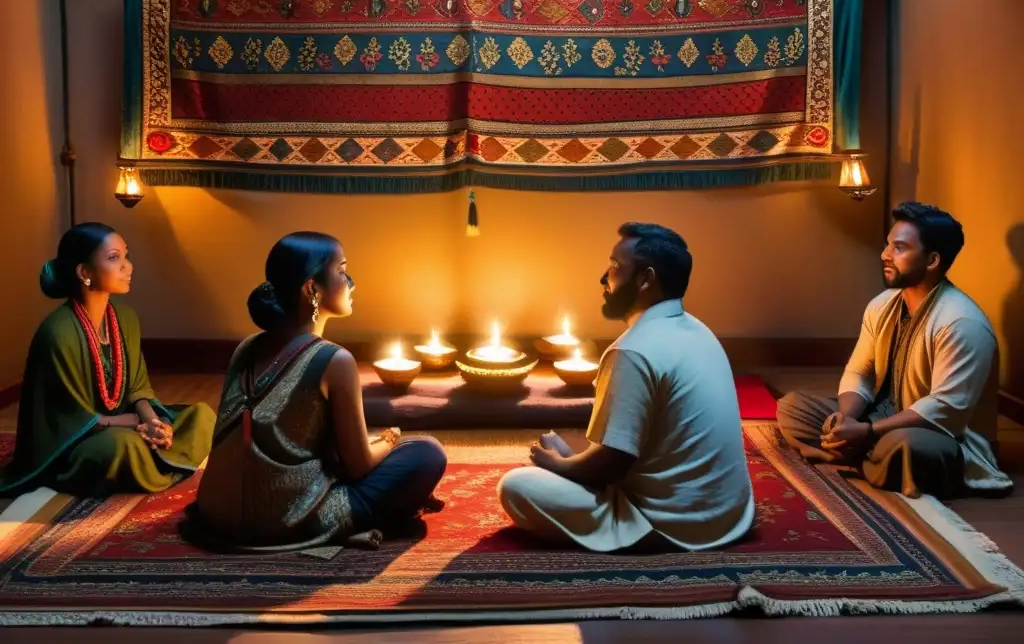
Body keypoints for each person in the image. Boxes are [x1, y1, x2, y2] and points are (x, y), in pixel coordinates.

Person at [181, 232, 447, 552]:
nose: (351, 282)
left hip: (216, 513)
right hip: (287, 519)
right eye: (342, 271)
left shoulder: (246, 347)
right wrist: (389, 440)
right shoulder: (335, 360)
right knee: (426, 453)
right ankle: (346, 527)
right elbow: (358, 466)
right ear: (311, 288)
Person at [498, 223, 755, 552]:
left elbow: (614, 462)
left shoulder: (631, 351)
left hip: (672, 524)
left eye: (616, 267)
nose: (604, 277)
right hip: (731, 515)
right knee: (572, 452)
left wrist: (559, 466)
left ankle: (633, 535)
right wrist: (573, 460)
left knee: (516, 486)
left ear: (646, 279)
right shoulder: (700, 330)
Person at [776, 201, 1012, 499]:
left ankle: (858, 454)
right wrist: (847, 419)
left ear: (932, 260)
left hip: (941, 437)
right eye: (888, 245)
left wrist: (868, 433)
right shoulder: (883, 305)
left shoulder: (961, 322)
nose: (885, 255)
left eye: (899, 248)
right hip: (874, 423)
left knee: (904, 448)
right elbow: (859, 372)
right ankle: (867, 458)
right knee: (793, 407)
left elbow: (945, 410)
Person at [0, 223, 214, 497]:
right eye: (114, 258)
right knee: (121, 446)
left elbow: (138, 388)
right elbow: (73, 420)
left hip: (129, 423)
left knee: (202, 416)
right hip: (80, 440)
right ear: (85, 273)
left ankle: (150, 458)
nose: (128, 267)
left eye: (126, 256)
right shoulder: (58, 332)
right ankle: (151, 461)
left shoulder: (125, 319)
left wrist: (154, 422)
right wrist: (138, 423)